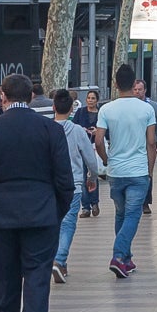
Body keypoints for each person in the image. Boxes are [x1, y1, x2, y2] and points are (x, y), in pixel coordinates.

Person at [0, 74, 74, 312]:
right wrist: (57, 210)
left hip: (0, 215)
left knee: (4, 274)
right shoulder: (51, 130)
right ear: (31, 97)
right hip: (41, 214)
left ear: (2, 96)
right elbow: (65, 180)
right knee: (38, 273)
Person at [96, 65, 157, 280]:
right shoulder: (146, 109)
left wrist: (107, 160)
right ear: (135, 85)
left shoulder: (106, 109)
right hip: (138, 170)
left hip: (116, 171)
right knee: (133, 215)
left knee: (121, 214)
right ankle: (117, 256)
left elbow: (98, 140)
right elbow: (151, 142)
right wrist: (149, 169)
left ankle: (126, 258)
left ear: (115, 85)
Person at [50, 90, 102, 279]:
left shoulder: (46, 129)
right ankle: (59, 259)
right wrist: (92, 178)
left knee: (54, 223)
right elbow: (91, 160)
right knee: (69, 223)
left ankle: (58, 260)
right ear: (72, 108)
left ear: (54, 107)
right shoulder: (78, 131)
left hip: (50, 186)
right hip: (73, 184)